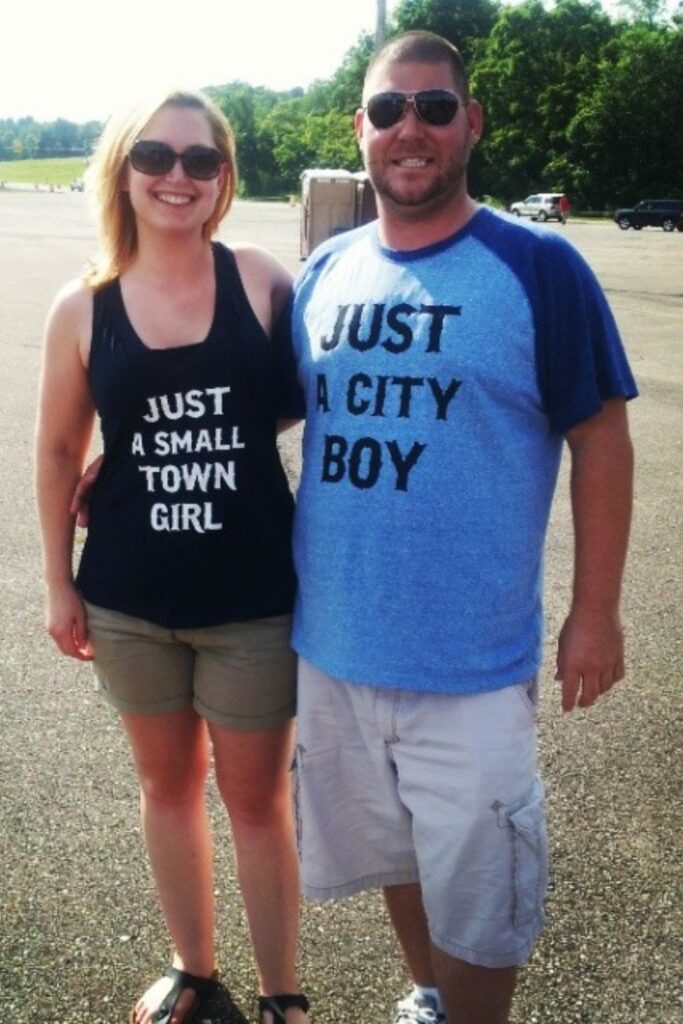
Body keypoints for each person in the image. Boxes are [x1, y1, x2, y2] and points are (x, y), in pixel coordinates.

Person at [289, 31, 636, 1024]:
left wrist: (594, 613)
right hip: (334, 651)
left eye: (433, 108)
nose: (410, 128)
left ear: (469, 122)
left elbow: (600, 439)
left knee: (481, 894)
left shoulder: (536, 265)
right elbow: (270, 404)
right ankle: (429, 995)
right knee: (393, 855)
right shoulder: (325, 273)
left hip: (471, 668)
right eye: (388, 109)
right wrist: (124, 448)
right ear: (358, 128)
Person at [35, 88, 309, 1024]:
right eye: (154, 157)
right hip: (126, 600)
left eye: (200, 160)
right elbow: (54, 452)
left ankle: (282, 994)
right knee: (165, 787)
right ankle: (196, 968)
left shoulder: (262, 279)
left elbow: (297, 397)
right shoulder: (84, 305)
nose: (177, 177)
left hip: (251, 602)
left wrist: (174, 432)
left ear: (224, 177)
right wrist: (57, 584)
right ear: (122, 170)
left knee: (258, 801)